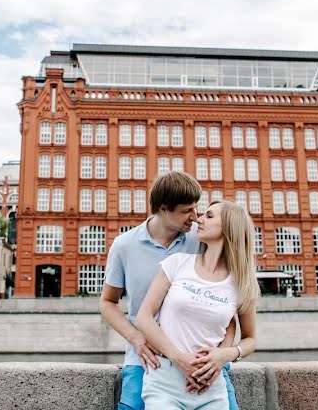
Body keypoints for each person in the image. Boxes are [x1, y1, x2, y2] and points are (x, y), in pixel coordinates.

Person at [100, 172, 239, 410]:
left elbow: (228, 310)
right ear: (163, 209)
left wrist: (221, 354)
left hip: (199, 360)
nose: (195, 218)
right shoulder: (125, 245)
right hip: (145, 357)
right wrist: (136, 338)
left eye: (197, 209)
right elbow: (107, 302)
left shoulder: (201, 240)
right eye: (187, 211)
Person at [136, 200, 258, 410]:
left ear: (229, 227)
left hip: (210, 387)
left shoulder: (241, 283)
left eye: (209, 216)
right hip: (165, 383)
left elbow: (250, 338)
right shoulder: (176, 263)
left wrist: (226, 355)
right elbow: (144, 317)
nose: (198, 219)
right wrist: (179, 358)